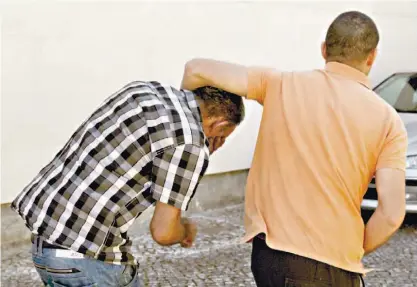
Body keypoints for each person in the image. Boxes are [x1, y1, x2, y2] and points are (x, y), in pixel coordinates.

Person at [181, 11, 407, 287]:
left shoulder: (280, 84)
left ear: (324, 50)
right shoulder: (388, 120)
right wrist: (350, 250)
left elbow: (195, 70)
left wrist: (198, 137)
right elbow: (392, 213)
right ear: (371, 57)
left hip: (271, 258)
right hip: (333, 264)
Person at [11, 81, 245, 286]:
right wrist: (185, 228)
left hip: (45, 246)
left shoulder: (144, 91)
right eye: (223, 136)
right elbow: (163, 232)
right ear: (220, 125)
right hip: (88, 260)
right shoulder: (190, 143)